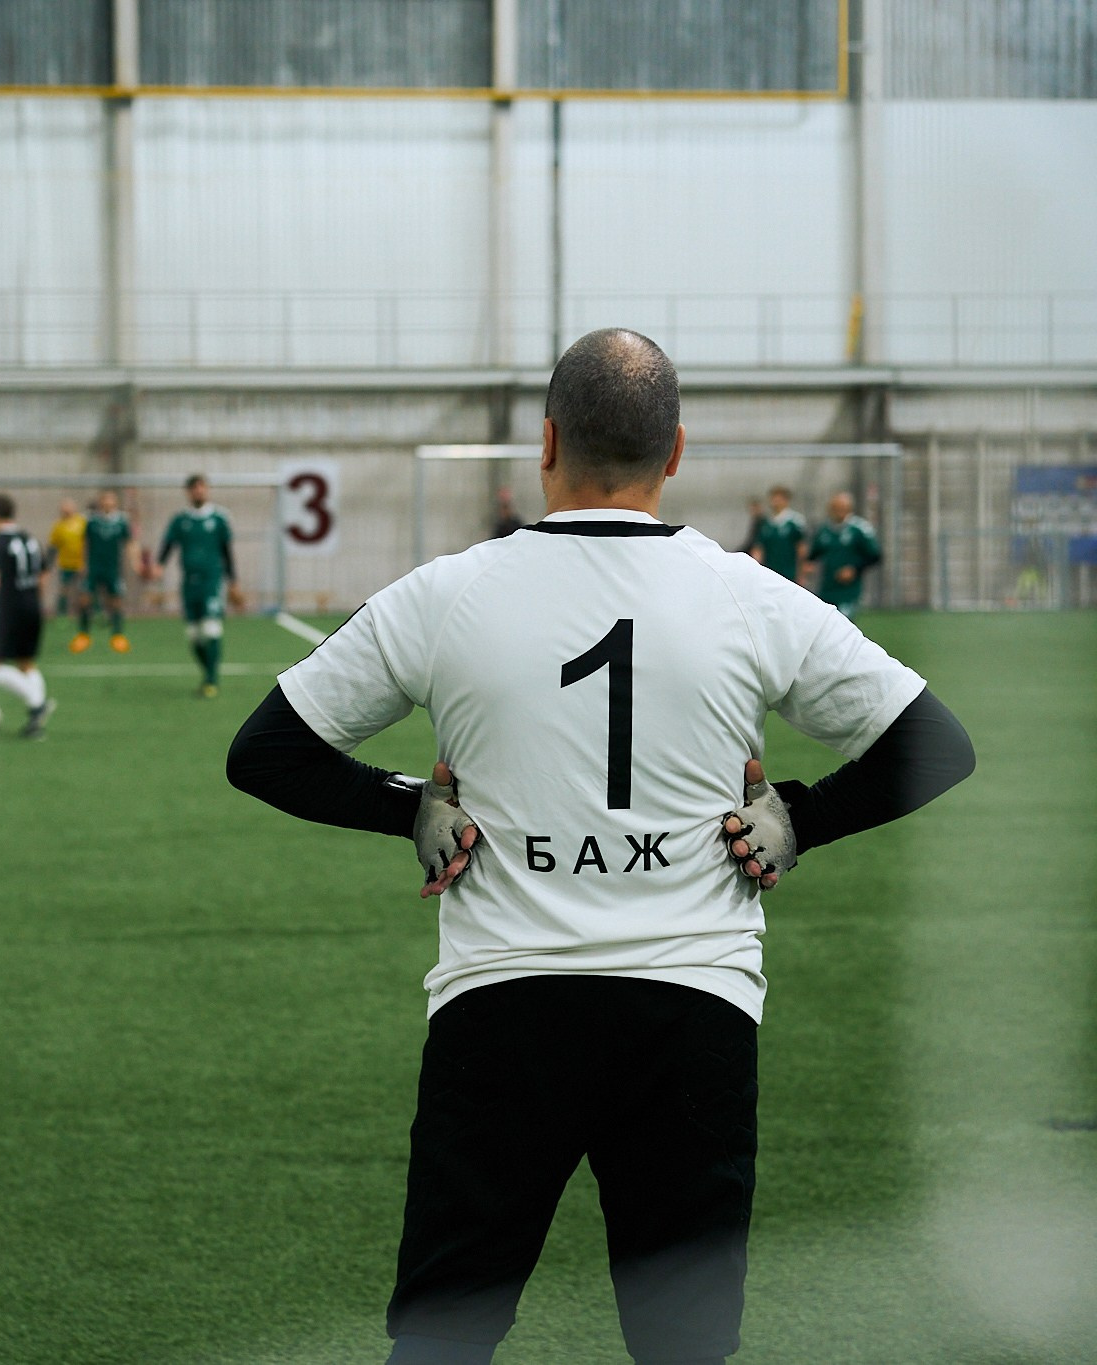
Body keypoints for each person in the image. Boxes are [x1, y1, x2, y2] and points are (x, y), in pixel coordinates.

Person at [227, 328, 974, 1365]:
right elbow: (935, 745)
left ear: (543, 443)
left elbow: (265, 753)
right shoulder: (748, 596)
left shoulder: (447, 592)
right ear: (675, 453)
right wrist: (800, 815)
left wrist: (407, 806)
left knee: (445, 1335)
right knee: (681, 1347)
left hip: (501, 1005)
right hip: (692, 1004)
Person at [159, 475, 246, 697]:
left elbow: (227, 551)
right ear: (188, 492)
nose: (198, 491)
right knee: (194, 636)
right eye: (194, 488)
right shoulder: (180, 520)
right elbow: (168, 545)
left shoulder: (219, 518)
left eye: (202, 487)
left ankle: (211, 680)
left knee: (211, 629)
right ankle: (208, 673)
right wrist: (159, 566)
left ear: (207, 490)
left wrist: (233, 581)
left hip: (212, 582)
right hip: (189, 584)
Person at [0, 493, 55, 740]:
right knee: (26, 662)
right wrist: (37, 601)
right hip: (32, 605)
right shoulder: (29, 538)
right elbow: (44, 574)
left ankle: (37, 704)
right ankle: (36, 721)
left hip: (8, 609)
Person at [75, 489, 137, 654]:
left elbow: (129, 543)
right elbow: (84, 542)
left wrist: (134, 561)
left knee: (116, 600)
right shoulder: (92, 521)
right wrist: (81, 563)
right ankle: (84, 635)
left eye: (111, 500)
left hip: (113, 568)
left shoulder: (122, 522)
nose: (108, 503)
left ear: (115, 502)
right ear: (101, 502)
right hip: (94, 567)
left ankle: (117, 635)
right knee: (85, 599)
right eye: (105, 500)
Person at [806, 490, 881, 618]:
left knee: (843, 624)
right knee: (825, 626)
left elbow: (875, 556)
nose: (838, 512)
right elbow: (814, 554)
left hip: (848, 590)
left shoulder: (859, 529)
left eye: (842, 508)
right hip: (827, 587)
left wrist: (854, 569)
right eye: (835, 508)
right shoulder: (824, 530)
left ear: (849, 509)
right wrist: (808, 566)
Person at [747, 486, 807, 584]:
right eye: (773, 498)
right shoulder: (766, 523)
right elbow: (759, 548)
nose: (775, 501)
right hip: (770, 571)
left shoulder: (795, 522)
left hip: (789, 572)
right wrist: (756, 567)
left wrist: (801, 573)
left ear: (786, 500)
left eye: (778, 498)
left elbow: (801, 549)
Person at [47, 496, 87, 620]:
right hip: (65, 563)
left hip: (81, 563)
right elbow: (53, 546)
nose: (66, 510)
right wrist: (48, 565)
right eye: (64, 508)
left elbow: (89, 542)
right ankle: (62, 613)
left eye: (69, 507)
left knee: (85, 589)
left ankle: (89, 612)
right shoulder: (58, 526)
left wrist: (87, 561)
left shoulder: (82, 522)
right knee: (64, 588)